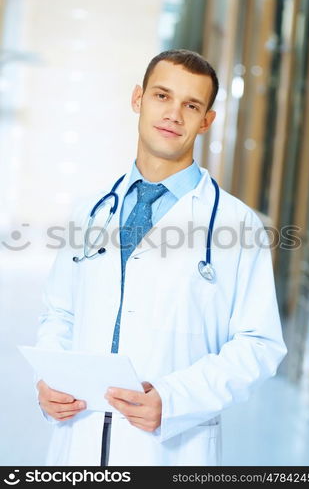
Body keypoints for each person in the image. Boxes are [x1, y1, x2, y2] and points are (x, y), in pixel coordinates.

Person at [36, 49, 287, 466]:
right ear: (138, 99)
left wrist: (175, 400)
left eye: (191, 105)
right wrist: (49, 383)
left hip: (169, 450)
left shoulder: (237, 224)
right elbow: (59, 314)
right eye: (162, 96)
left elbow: (259, 345)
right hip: (75, 442)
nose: (173, 114)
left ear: (207, 121)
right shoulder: (91, 210)